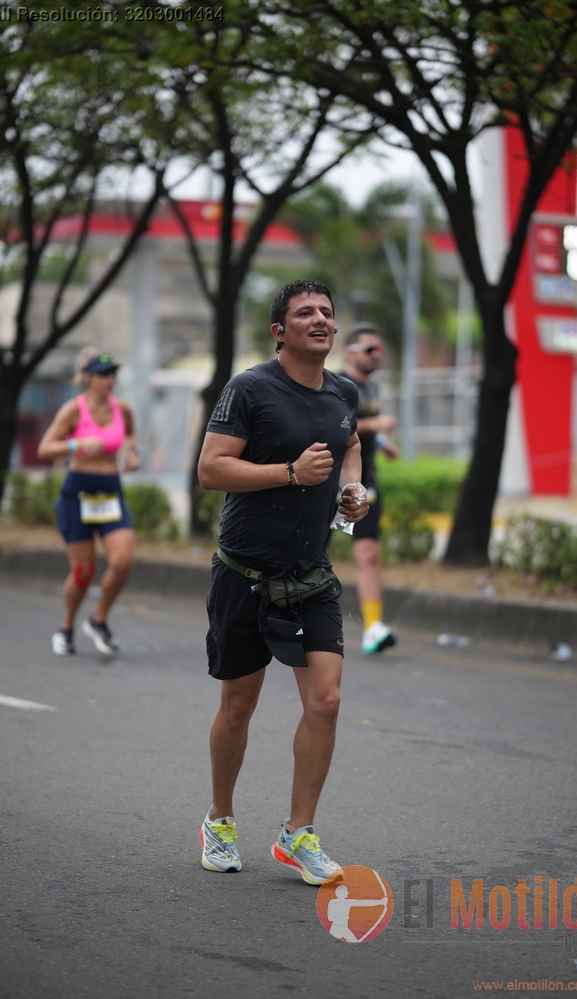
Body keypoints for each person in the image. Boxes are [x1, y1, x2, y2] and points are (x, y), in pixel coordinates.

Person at [197, 278, 368, 884]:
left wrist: (353, 490)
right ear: (279, 331)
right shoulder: (249, 388)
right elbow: (211, 468)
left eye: (326, 311)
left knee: (327, 701)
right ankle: (220, 819)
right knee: (238, 706)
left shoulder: (344, 391)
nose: (320, 320)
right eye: (305, 313)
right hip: (245, 574)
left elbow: (350, 443)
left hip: (311, 575)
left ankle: (298, 834)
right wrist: (290, 474)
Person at [37, 350, 140, 657]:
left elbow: (131, 434)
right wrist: (75, 443)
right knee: (84, 572)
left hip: (110, 492)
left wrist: (134, 453)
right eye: (103, 375)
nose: (110, 380)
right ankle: (66, 627)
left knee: (122, 561)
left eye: (113, 374)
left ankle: (98, 621)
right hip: (77, 494)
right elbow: (45, 448)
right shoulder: (73, 409)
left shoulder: (122, 408)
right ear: (87, 377)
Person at [342, 325, 400, 654]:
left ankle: (373, 627)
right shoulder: (338, 384)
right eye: (369, 349)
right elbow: (336, 426)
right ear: (349, 352)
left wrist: (381, 442)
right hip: (333, 483)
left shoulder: (372, 388)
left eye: (379, 349)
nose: (376, 355)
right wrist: (375, 425)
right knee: (311, 552)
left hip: (366, 482)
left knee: (369, 553)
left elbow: (359, 430)